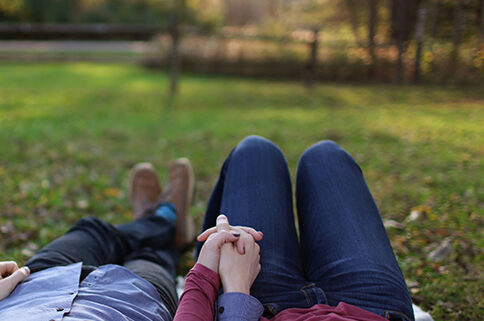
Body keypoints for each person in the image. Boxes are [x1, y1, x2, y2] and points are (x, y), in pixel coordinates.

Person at [0, 158, 262, 321]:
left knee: (92, 229)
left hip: (30, 289)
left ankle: (160, 219)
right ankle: (166, 221)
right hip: (136, 302)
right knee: (152, 254)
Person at [174, 136, 415, 321]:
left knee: (254, 151)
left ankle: (180, 228)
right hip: (372, 310)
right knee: (326, 156)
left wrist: (210, 270)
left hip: (257, 305)